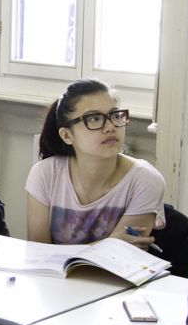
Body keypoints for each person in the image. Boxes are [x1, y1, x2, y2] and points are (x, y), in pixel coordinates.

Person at [26, 79, 165, 246]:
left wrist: (112, 246)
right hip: (52, 273)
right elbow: (38, 253)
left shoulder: (146, 180)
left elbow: (122, 257)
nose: (110, 127)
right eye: (94, 119)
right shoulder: (45, 174)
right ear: (67, 136)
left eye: (115, 115)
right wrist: (109, 244)